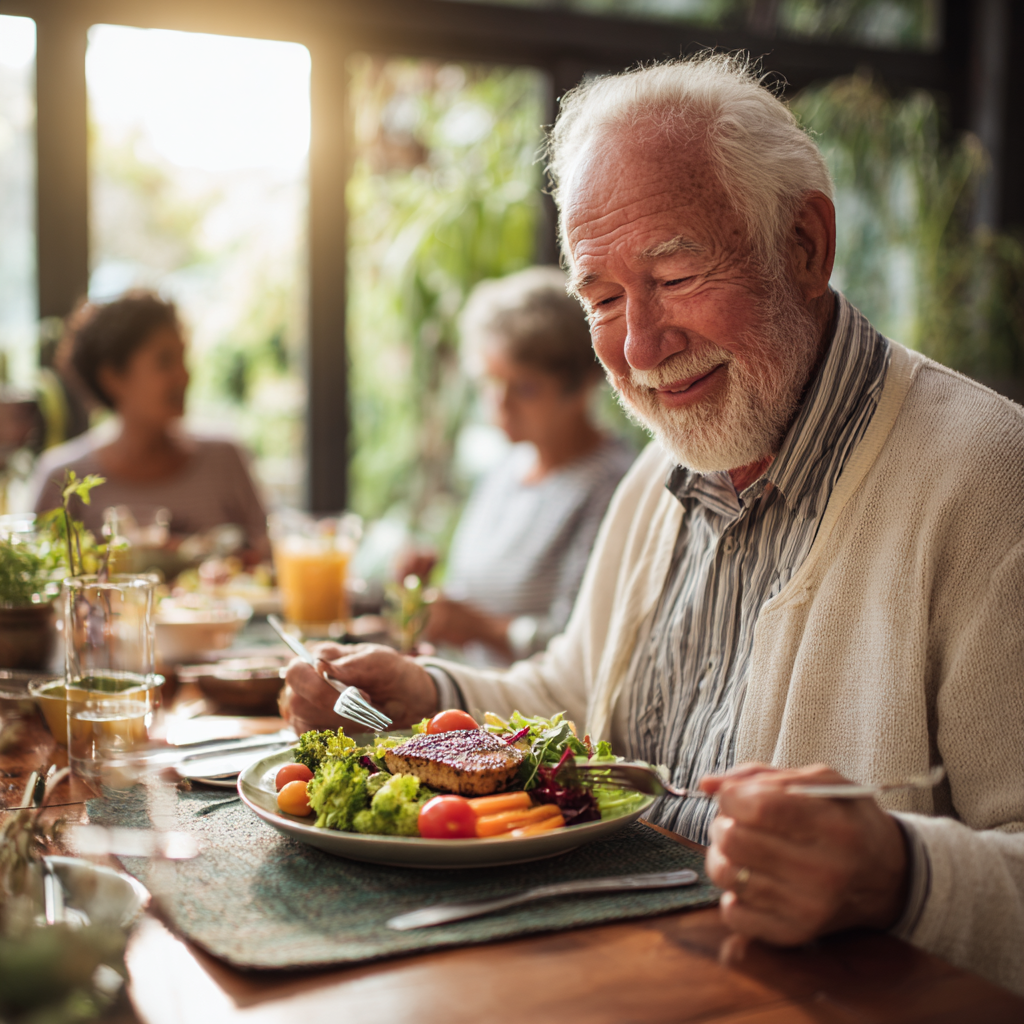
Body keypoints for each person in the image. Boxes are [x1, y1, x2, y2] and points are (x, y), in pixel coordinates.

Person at [280, 55, 1024, 995]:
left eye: (673, 275)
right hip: (616, 974)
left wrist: (901, 872)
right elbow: (578, 688)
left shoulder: (990, 477)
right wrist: (426, 692)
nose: (638, 347)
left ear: (803, 245)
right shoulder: (668, 458)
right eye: (601, 301)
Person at [411, 267, 635, 664]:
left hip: (537, 721)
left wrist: (476, 627)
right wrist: (422, 595)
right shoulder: (508, 466)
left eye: (525, 387)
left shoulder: (612, 486)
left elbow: (582, 647)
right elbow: (471, 594)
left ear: (581, 386)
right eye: (492, 382)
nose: (501, 404)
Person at [28, 291, 269, 559]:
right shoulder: (64, 478)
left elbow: (269, 559)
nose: (184, 374)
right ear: (112, 377)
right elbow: (45, 577)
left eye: (183, 357)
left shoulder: (225, 458)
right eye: (165, 361)